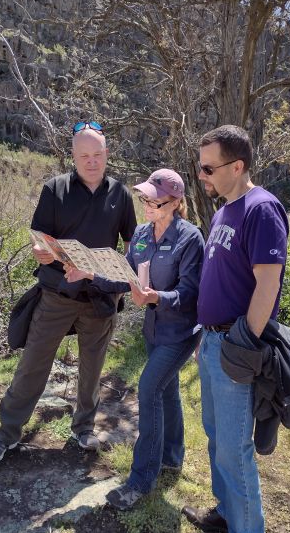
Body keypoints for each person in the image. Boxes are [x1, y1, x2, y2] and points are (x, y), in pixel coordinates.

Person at [0, 121, 137, 466]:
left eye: (97, 155)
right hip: (57, 295)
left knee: (92, 369)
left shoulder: (121, 194)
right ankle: (6, 434)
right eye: (84, 156)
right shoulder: (55, 189)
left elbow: (131, 244)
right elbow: (40, 238)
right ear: (74, 157)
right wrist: (41, 252)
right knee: (33, 363)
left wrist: (124, 276)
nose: (91, 161)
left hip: (99, 299)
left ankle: (83, 428)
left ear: (106, 155)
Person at [182, 125, 289, 533]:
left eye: (208, 167)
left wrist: (244, 340)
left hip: (234, 348)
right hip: (211, 341)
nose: (201, 175)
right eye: (199, 166)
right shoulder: (227, 209)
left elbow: (269, 284)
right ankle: (227, 513)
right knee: (215, 436)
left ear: (237, 166)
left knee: (235, 448)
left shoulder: (262, 209)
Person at [65, 169, 204, 510]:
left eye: (153, 201)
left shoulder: (190, 238)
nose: (146, 206)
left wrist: (156, 297)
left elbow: (190, 292)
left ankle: (141, 480)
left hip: (181, 332)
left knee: (149, 389)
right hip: (154, 332)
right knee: (168, 392)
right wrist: (89, 273)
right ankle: (172, 457)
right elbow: (121, 276)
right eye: (144, 198)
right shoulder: (142, 234)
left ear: (175, 203)